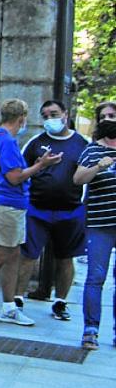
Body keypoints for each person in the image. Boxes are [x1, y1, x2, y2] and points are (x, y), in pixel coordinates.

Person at [0, 99, 58, 327]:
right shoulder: (6, 141)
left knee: (12, 257)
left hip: (11, 207)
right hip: (4, 206)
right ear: (21, 119)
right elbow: (14, 177)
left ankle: (8, 307)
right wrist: (41, 166)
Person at [19, 99, 87, 320]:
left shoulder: (82, 143)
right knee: (28, 255)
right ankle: (17, 299)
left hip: (71, 210)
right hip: (37, 209)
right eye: (45, 115)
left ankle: (60, 302)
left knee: (66, 258)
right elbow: (20, 171)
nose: (50, 119)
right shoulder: (35, 142)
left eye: (54, 114)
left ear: (65, 114)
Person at [73, 101, 116, 350]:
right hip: (100, 224)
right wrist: (99, 167)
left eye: (113, 115)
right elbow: (78, 179)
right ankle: (91, 330)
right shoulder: (92, 151)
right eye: (104, 116)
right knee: (96, 277)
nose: (109, 119)